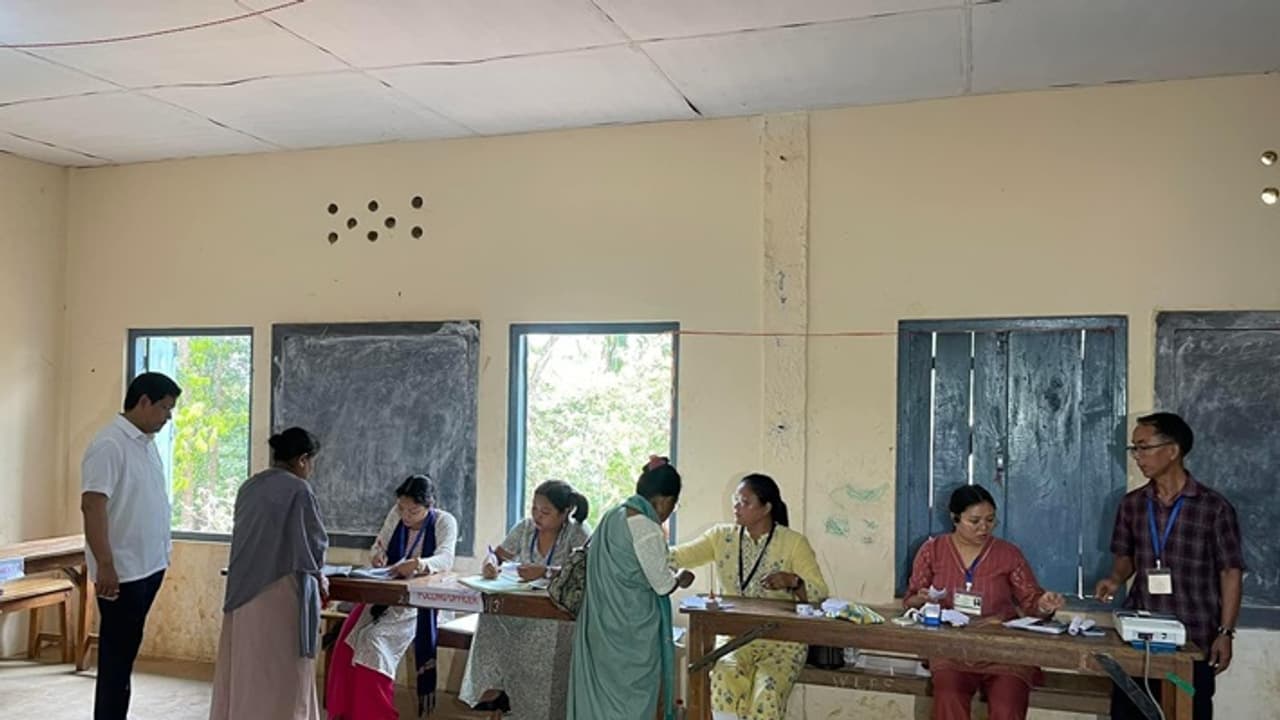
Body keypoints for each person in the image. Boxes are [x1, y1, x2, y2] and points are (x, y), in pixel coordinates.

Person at [1094, 413, 1244, 720]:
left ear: (1173, 450)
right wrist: (1114, 578)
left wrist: (1225, 632)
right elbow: (1126, 558)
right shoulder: (1133, 504)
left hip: (1193, 637)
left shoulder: (1213, 507)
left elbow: (1231, 572)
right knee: (1128, 710)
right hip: (1139, 636)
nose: (1137, 456)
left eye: (1143, 447)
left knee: (1188, 707)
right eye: (1134, 449)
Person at [669, 473, 829, 720]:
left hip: (783, 641)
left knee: (767, 693)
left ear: (766, 508)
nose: (736, 506)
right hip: (736, 637)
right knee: (723, 678)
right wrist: (643, 546)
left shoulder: (793, 543)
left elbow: (820, 593)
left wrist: (793, 582)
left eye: (745, 502)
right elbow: (678, 555)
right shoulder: (721, 537)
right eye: (736, 500)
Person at [905, 485, 1065, 720]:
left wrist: (1043, 604)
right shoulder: (933, 550)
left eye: (990, 520)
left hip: (1003, 650)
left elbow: (1031, 600)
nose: (984, 528)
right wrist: (921, 598)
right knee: (949, 696)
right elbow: (911, 601)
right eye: (975, 521)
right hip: (952, 650)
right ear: (955, 518)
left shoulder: (1008, 554)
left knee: (1007, 704)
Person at [81, 371, 181, 720]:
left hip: (147, 567)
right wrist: (105, 563)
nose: (169, 417)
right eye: (165, 408)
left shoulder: (145, 443)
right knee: (116, 659)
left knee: (125, 655)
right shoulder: (110, 444)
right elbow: (92, 505)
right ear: (143, 402)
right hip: (122, 572)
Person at [210, 427, 328, 720]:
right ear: (302, 459)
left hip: (243, 593)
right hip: (281, 591)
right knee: (283, 672)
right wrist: (319, 575)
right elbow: (312, 543)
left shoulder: (249, 486)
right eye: (311, 462)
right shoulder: (299, 489)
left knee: (248, 669)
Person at [567, 456, 695, 720]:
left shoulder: (612, 516)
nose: (670, 511)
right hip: (631, 635)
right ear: (663, 500)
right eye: (673, 505)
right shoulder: (646, 528)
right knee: (628, 706)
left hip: (601, 628)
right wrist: (680, 577)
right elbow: (662, 585)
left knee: (598, 702)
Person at [326, 474, 458, 719]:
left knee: (373, 642)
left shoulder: (444, 521)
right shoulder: (396, 514)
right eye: (403, 509)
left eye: (414, 511)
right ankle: (346, 713)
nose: (406, 516)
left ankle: (376, 713)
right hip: (386, 596)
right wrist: (377, 555)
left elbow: (445, 559)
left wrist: (418, 564)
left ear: (432, 505)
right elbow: (379, 545)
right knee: (347, 642)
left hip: (420, 605)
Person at [459, 480, 592, 718]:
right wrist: (491, 563)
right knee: (490, 619)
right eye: (534, 509)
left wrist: (546, 571)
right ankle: (494, 690)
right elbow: (497, 554)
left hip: (556, 616)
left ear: (565, 513)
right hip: (522, 608)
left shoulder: (578, 533)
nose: (537, 517)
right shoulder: (525, 528)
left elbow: (586, 572)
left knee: (545, 658)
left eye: (545, 512)